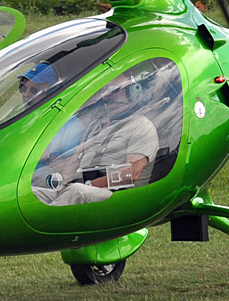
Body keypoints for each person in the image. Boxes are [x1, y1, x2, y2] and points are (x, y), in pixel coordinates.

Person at [33, 72, 158, 207]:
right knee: (36, 193)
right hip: (85, 189)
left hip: (120, 197)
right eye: (105, 90)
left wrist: (92, 184)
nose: (107, 95)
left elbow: (132, 173)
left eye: (114, 90)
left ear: (133, 93)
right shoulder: (96, 126)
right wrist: (64, 184)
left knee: (76, 191)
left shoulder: (142, 127)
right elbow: (75, 161)